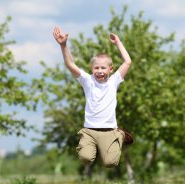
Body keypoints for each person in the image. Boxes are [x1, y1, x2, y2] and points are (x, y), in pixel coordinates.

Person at [53, 26, 133, 171]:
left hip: (109, 131)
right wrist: (63, 45)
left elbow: (127, 62)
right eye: (96, 68)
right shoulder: (87, 81)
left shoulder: (114, 81)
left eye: (103, 68)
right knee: (85, 157)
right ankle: (89, 147)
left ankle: (119, 135)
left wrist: (118, 43)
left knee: (110, 163)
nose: (100, 71)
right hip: (90, 130)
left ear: (111, 69)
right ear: (92, 69)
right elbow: (70, 64)